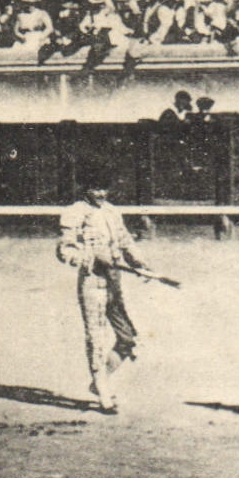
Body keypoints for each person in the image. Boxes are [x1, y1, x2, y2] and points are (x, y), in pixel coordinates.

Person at [56, 170, 149, 413]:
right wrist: (93, 257)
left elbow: (125, 240)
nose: (101, 193)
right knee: (96, 337)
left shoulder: (111, 211)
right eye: (95, 188)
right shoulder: (74, 212)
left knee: (128, 338)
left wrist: (140, 263)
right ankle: (103, 391)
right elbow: (65, 251)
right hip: (92, 280)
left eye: (104, 188)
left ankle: (99, 383)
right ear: (85, 187)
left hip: (114, 281)